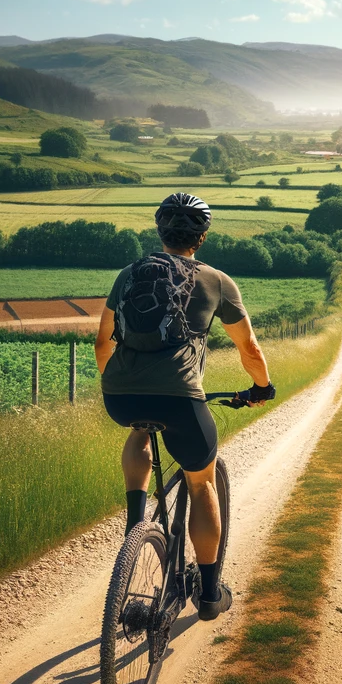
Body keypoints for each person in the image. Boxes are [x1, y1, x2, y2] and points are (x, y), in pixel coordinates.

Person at [94, 193, 275, 621]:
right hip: (180, 398)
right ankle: (210, 595)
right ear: (203, 236)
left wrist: (116, 382)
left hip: (120, 396)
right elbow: (248, 346)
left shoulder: (128, 274)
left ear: (160, 232)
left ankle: (135, 522)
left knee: (140, 428)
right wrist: (261, 387)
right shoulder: (216, 281)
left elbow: (103, 341)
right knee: (201, 485)